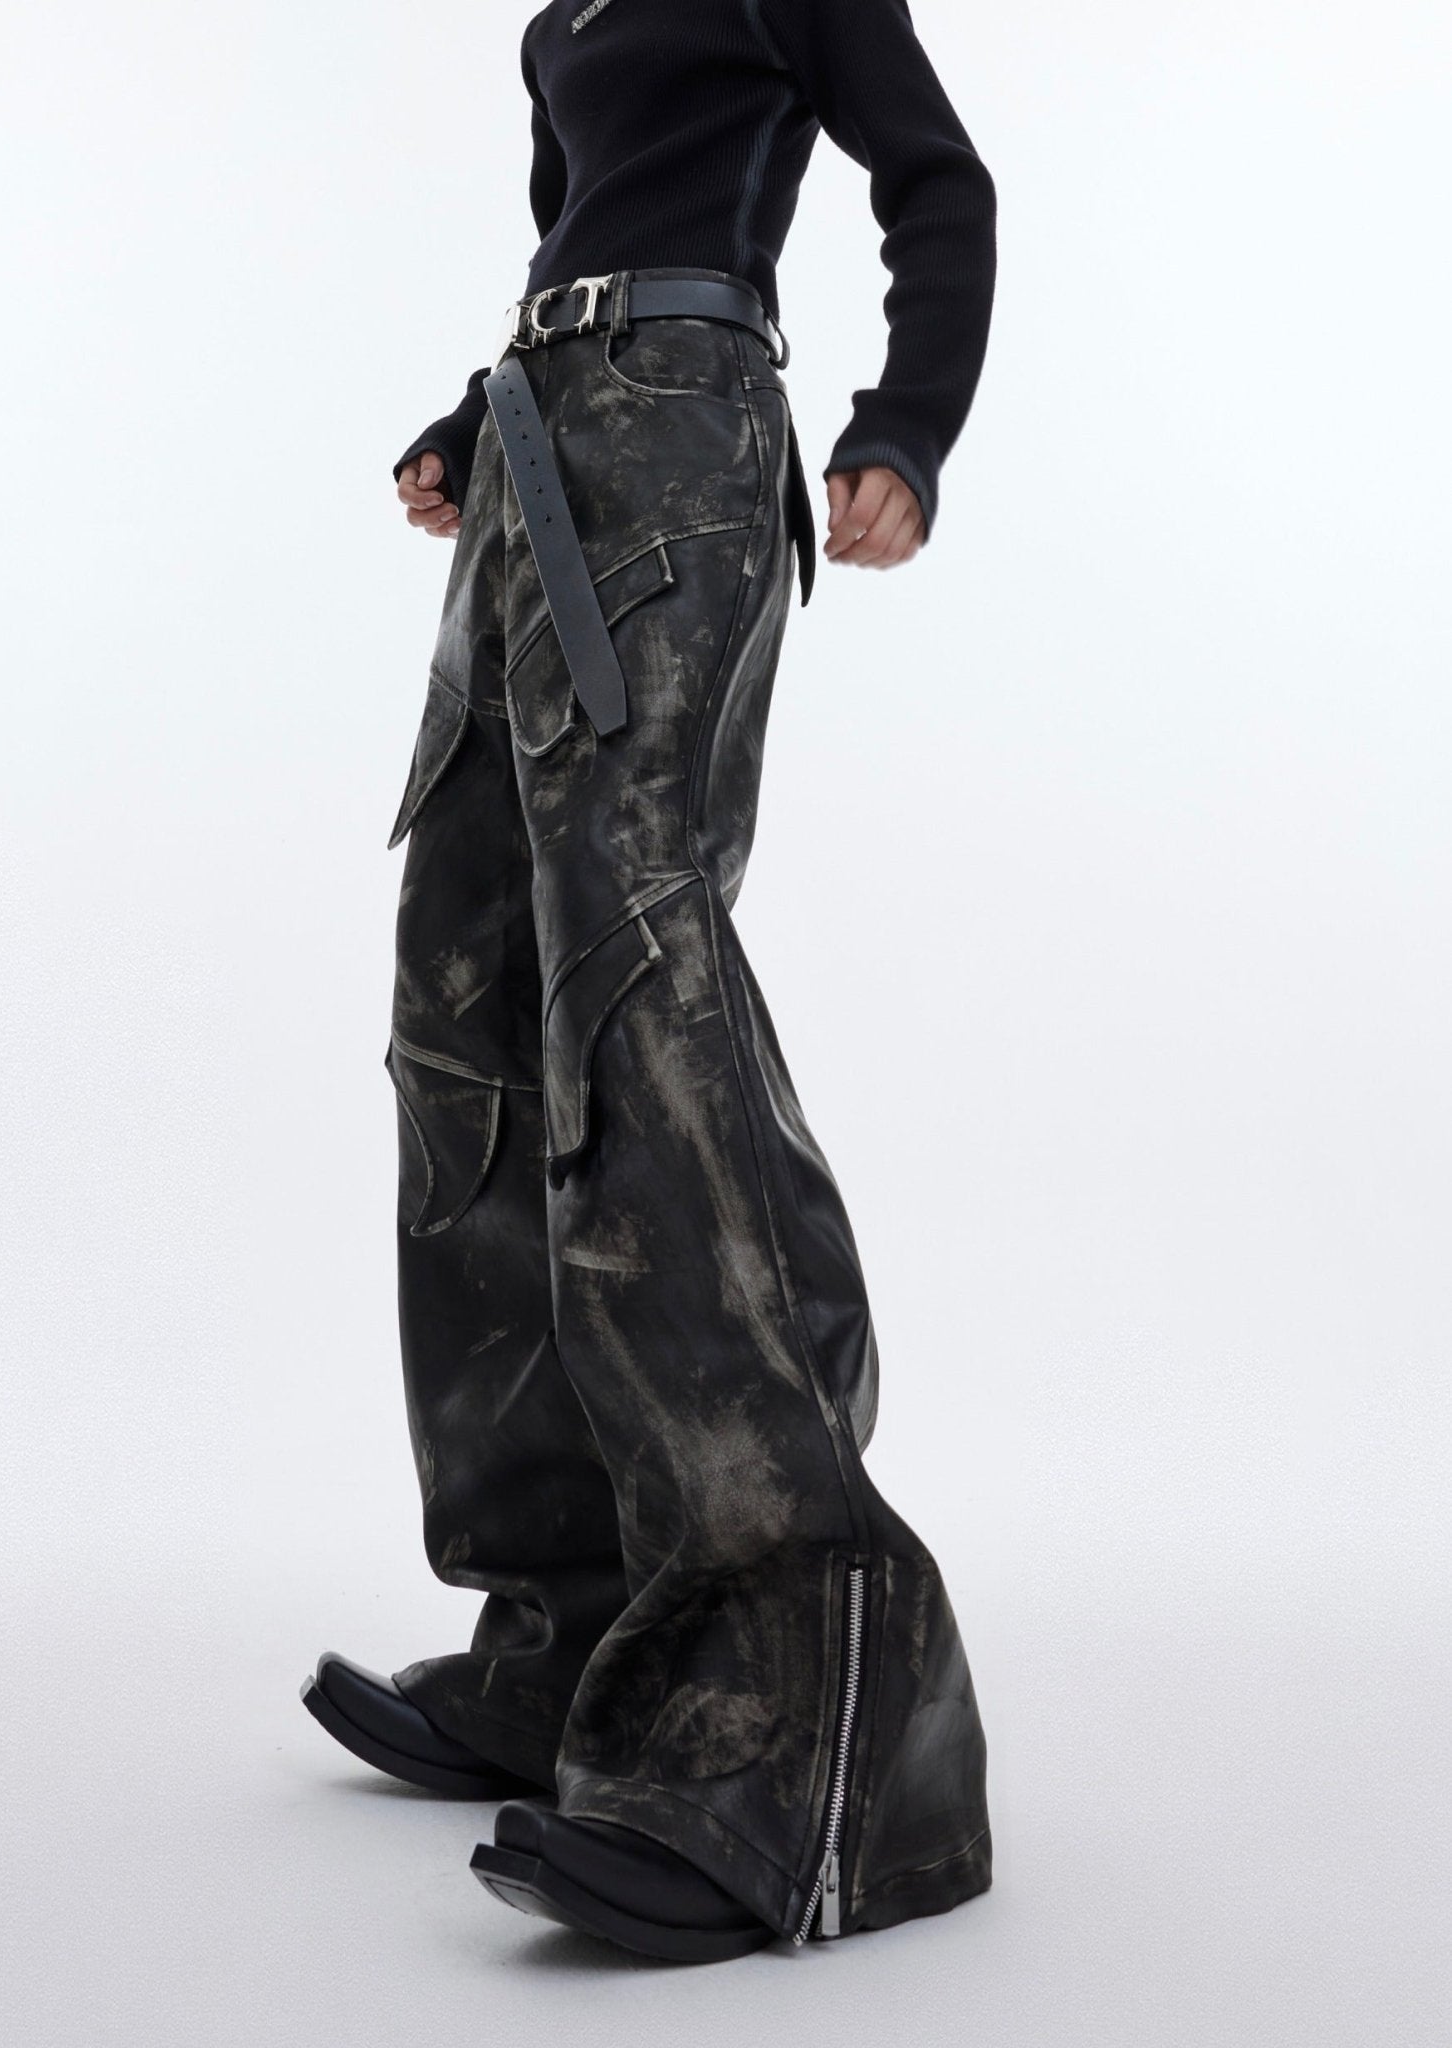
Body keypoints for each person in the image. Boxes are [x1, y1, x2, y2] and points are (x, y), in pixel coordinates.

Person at [301, 0, 998, 1962]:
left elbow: (940, 186)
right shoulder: (564, 21)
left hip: (687, 426)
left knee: (633, 973)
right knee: (467, 1009)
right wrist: (477, 419)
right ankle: (579, 1627)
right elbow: (575, 236)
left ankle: (801, 1706)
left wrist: (904, 426)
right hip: (540, 447)